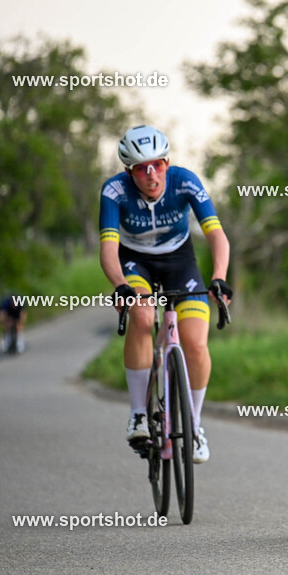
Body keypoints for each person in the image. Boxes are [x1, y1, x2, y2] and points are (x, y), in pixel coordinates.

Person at [98, 125, 232, 464]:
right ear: (129, 172)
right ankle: (138, 414)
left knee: (196, 343)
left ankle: (195, 425)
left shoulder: (186, 181)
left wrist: (218, 278)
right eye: (141, 169)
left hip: (179, 261)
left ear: (167, 163)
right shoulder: (114, 191)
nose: (151, 174)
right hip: (135, 262)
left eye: (157, 164)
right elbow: (108, 249)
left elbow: (217, 235)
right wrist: (120, 286)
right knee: (142, 317)